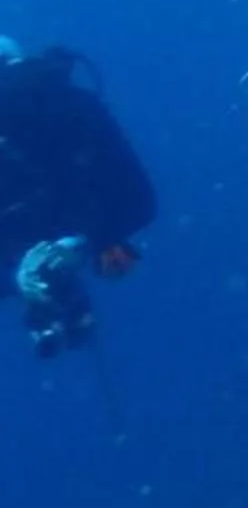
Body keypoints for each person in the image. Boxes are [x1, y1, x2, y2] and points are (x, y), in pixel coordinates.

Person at [0, 39, 155, 357]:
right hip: (81, 226)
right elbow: (139, 199)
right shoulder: (70, 104)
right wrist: (81, 245)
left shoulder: (67, 108)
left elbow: (138, 200)